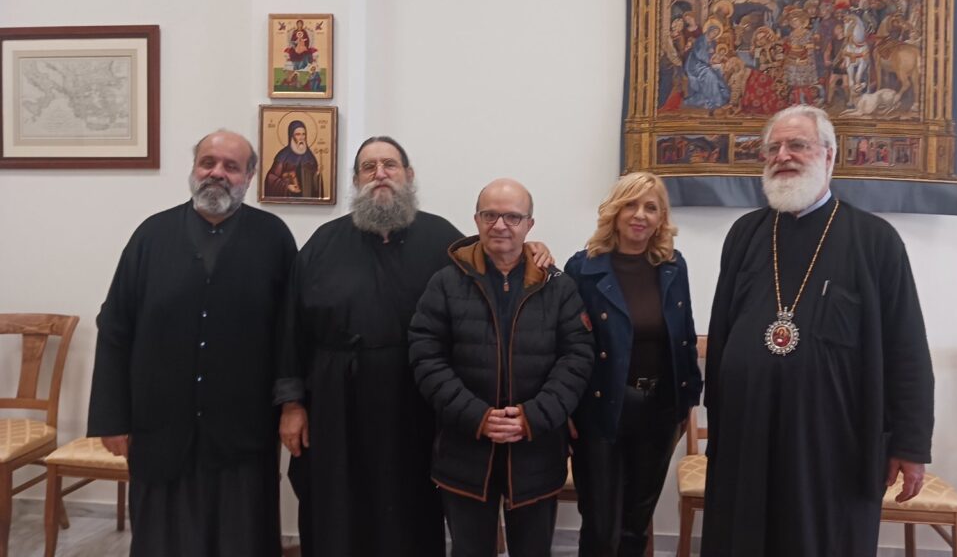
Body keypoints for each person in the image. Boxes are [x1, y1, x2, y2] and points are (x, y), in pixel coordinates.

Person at [275, 140, 554, 557]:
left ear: (409, 175)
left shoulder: (443, 240)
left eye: (390, 164)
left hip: (416, 401)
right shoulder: (322, 243)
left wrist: (533, 250)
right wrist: (292, 404)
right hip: (336, 403)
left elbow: (500, 260)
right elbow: (291, 327)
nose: (380, 174)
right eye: (369, 167)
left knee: (411, 507)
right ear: (356, 180)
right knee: (335, 506)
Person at [700, 105, 934, 557]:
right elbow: (723, 330)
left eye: (797, 145)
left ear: (829, 155)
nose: (783, 156)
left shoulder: (875, 240)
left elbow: (906, 347)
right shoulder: (744, 234)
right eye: (773, 148)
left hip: (833, 445)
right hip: (747, 436)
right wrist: (718, 424)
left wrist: (910, 444)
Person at [87, 130, 296, 557]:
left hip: (243, 431)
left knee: (242, 539)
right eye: (208, 162)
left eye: (231, 166)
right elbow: (114, 328)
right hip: (159, 427)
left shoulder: (274, 238)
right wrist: (111, 417)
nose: (216, 173)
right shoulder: (151, 236)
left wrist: (291, 404)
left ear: (249, 176)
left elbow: (290, 332)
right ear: (194, 168)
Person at [408, 179, 595, 557]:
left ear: (529, 224)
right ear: (476, 220)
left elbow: (577, 358)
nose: (500, 225)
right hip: (464, 449)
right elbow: (426, 356)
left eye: (512, 217)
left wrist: (532, 417)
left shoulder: (558, 287)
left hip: (536, 450)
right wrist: (477, 416)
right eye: (490, 215)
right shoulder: (445, 283)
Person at [565, 172, 702, 557]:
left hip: (659, 409)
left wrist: (686, 400)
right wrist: (566, 408)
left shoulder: (673, 266)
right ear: (615, 211)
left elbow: (684, 333)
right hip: (601, 409)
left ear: (661, 218)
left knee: (636, 525)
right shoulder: (584, 268)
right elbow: (567, 345)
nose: (640, 215)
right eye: (631, 204)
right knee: (601, 525)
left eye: (651, 207)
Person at [264, 119, 322, 198]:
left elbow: (314, 182)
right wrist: (287, 187)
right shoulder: (283, 155)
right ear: (291, 136)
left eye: (303, 134)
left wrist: (317, 174)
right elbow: (271, 178)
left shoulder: (310, 156)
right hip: (289, 196)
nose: (301, 138)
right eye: (298, 134)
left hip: (306, 197)